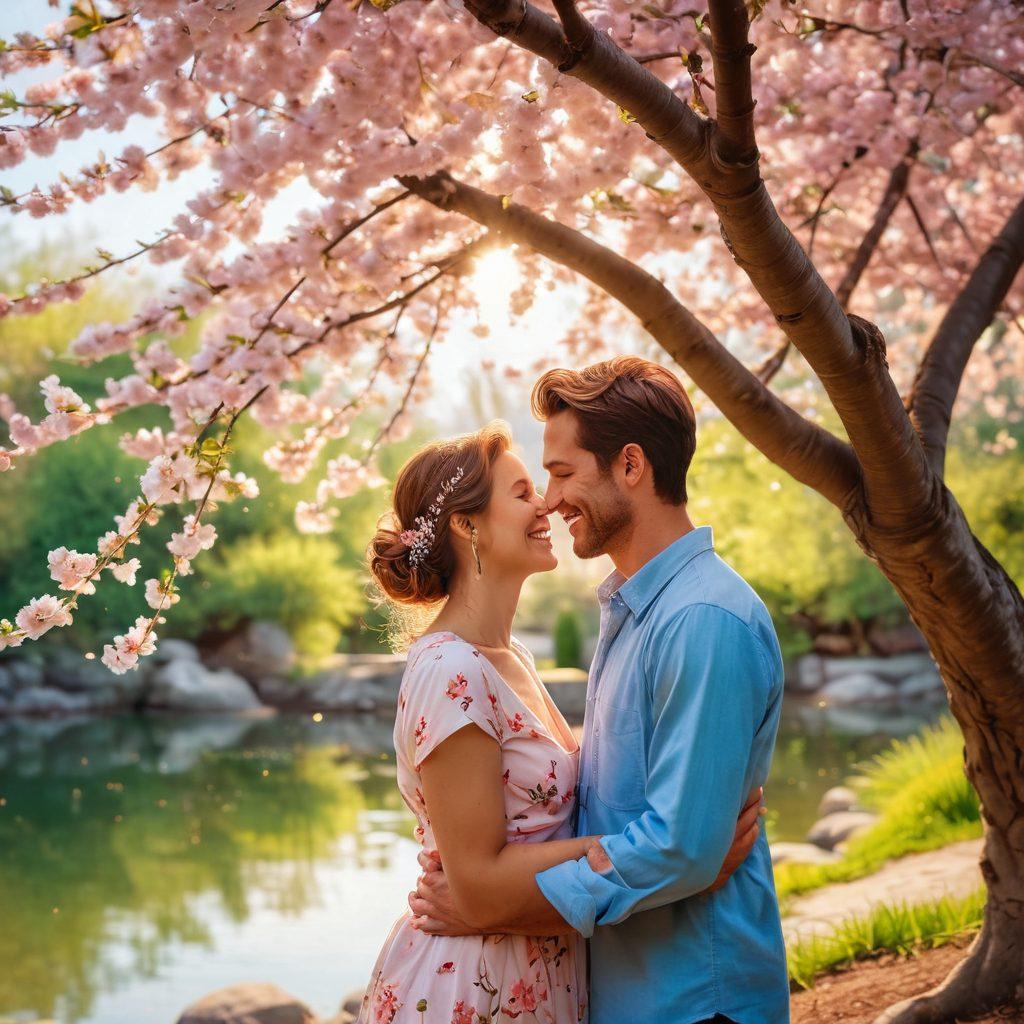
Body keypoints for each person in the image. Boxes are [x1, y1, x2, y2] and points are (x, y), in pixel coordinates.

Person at [409, 358, 791, 1024]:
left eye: (561, 474)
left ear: (631, 467)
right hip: (623, 989)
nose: (550, 502)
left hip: (693, 1000)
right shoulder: (631, 613)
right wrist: (488, 889)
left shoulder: (702, 619)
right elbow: (631, 809)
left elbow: (679, 848)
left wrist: (495, 903)